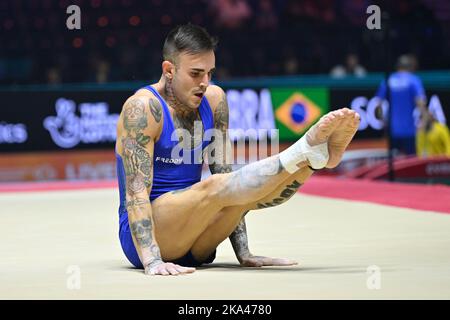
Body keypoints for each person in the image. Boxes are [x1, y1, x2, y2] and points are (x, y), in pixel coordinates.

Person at [115, 24, 360, 276]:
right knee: (213, 186)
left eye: (210, 73)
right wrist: (153, 261)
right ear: (169, 70)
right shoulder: (142, 109)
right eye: (196, 74)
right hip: (146, 239)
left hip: (197, 242)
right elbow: (136, 194)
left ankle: (313, 160)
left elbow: (229, 181)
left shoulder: (214, 99)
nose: (204, 82)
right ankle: (301, 149)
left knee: (242, 194)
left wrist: (244, 253)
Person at [375, 54, 428, 155]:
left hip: (393, 132)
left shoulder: (388, 80)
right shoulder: (413, 80)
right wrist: (423, 123)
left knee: (394, 164)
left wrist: (383, 122)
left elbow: (378, 106)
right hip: (409, 132)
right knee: (410, 164)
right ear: (410, 67)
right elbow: (421, 104)